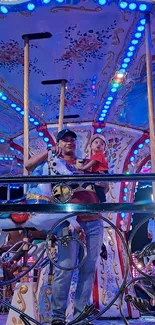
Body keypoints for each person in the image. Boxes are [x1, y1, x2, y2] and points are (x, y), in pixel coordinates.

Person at [25, 129, 108, 325]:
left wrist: (97, 179)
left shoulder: (87, 163)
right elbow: (28, 166)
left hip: (94, 219)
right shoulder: (53, 164)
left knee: (88, 269)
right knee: (66, 267)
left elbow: (105, 183)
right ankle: (58, 317)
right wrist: (49, 152)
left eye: (72, 140)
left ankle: (80, 315)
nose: (69, 142)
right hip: (67, 220)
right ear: (58, 144)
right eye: (65, 140)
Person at [78, 134, 109, 203]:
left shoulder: (100, 155)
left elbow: (93, 162)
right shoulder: (93, 157)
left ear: (104, 148)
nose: (99, 145)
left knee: (98, 187)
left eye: (102, 144)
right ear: (90, 145)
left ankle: (103, 201)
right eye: (96, 142)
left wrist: (83, 168)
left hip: (101, 172)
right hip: (97, 172)